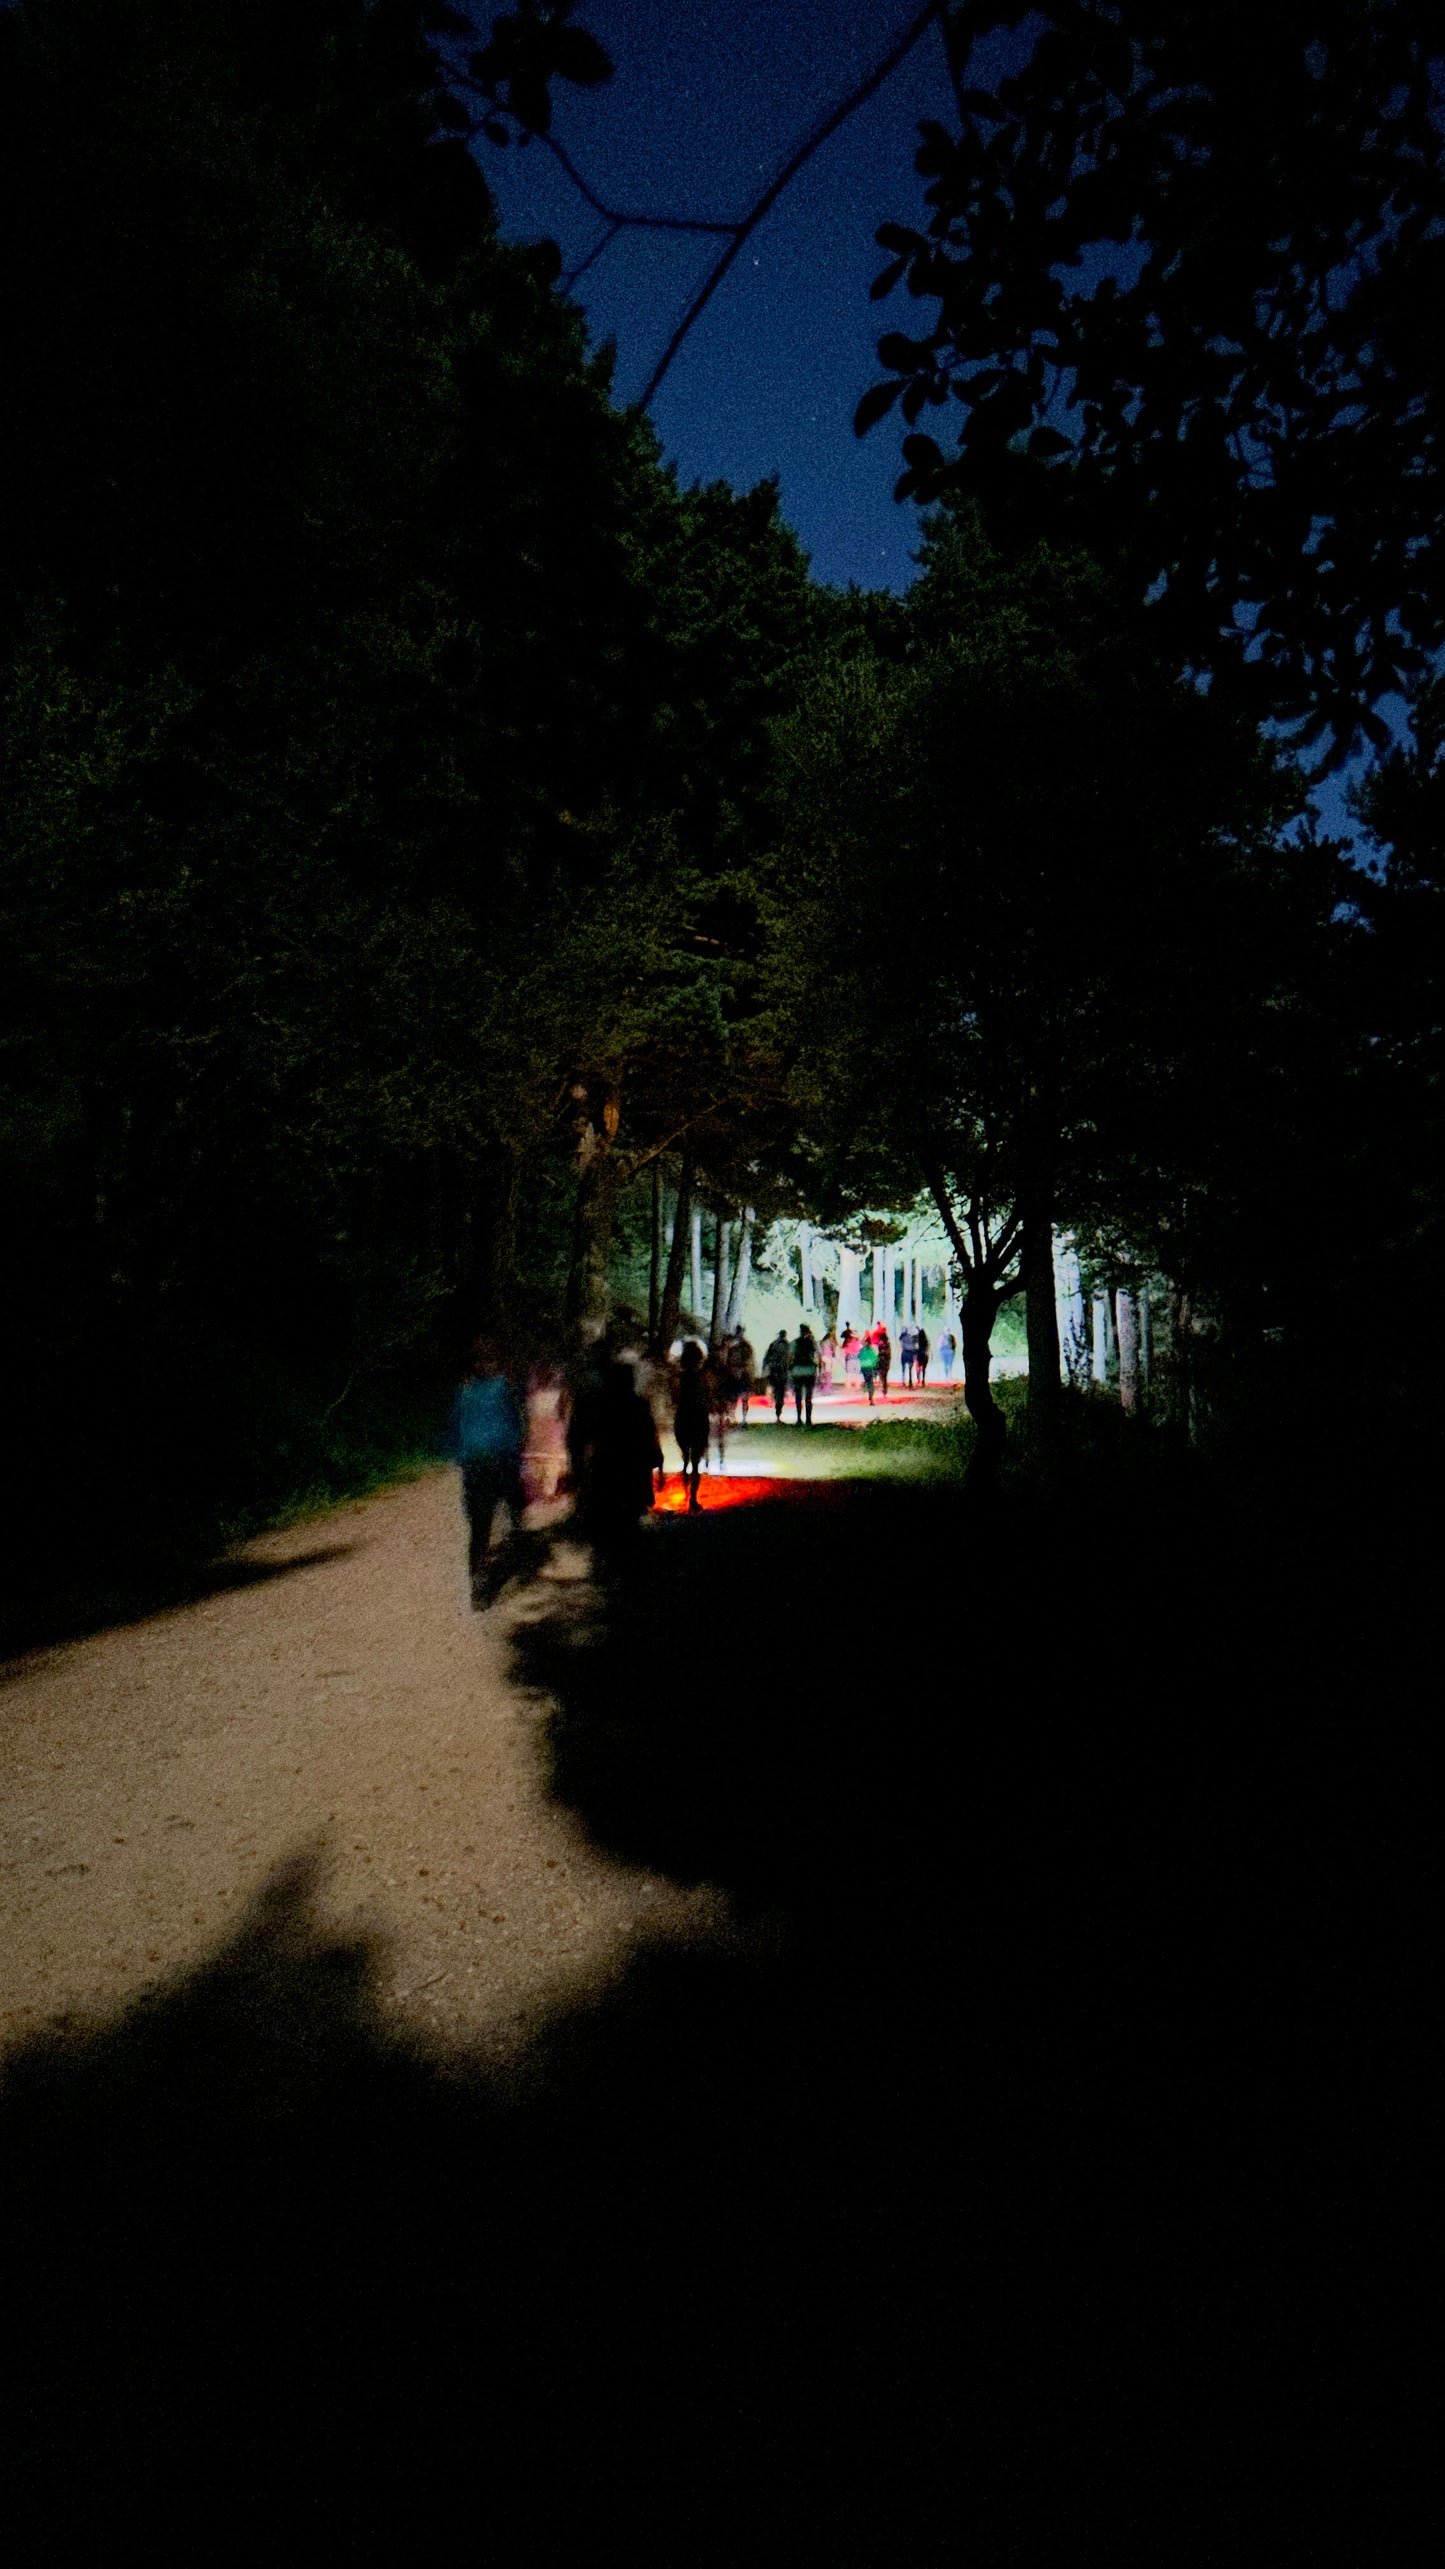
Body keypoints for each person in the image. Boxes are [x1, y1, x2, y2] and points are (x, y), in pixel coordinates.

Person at [446, 1337, 526, 1608]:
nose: (485, 1365)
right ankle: (482, 1582)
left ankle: (480, 1582)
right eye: (481, 1360)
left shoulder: (471, 1389)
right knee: (488, 1524)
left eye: (489, 1359)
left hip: (484, 1466)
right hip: (492, 1466)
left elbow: (454, 1430)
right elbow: (515, 1425)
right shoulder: (499, 1388)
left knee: (482, 1526)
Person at [574, 1357, 662, 1561]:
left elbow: (589, 1433)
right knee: (630, 1514)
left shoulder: (603, 1405)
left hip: (609, 1466)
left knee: (612, 1513)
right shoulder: (638, 1404)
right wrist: (655, 1457)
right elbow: (649, 1432)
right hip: (632, 1467)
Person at [673, 1340, 712, 1511]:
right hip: (697, 1419)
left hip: (683, 1418)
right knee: (696, 1460)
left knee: (686, 1458)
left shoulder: (680, 1378)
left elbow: (675, 1399)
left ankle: (686, 1493)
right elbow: (706, 1401)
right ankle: (693, 1499)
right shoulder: (701, 1379)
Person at [790, 1322, 819, 1426]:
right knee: (808, 1397)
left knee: (798, 1396)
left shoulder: (795, 1343)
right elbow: (817, 1356)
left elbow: (790, 1357)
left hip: (797, 1371)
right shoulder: (813, 1343)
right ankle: (808, 1419)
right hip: (809, 1371)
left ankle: (798, 1419)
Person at [764, 1329, 791, 1424]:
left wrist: (765, 1369)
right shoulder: (787, 1345)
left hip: (775, 1371)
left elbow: (767, 1358)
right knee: (780, 1393)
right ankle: (778, 1413)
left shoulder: (774, 1344)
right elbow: (790, 1359)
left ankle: (777, 1413)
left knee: (777, 1392)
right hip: (782, 1373)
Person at [857, 1330, 879, 1406]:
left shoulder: (862, 1350)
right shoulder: (871, 1350)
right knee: (871, 1382)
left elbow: (859, 1357)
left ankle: (865, 1387)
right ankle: (871, 1398)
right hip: (870, 1367)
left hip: (864, 1367)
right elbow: (875, 1358)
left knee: (868, 1380)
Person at [874, 1323, 892, 1400]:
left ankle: (882, 1388)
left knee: (880, 1373)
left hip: (883, 1360)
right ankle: (884, 1390)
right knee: (884, 1376)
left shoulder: (881, 1343)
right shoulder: (887, 1343)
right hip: (886, 1360)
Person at [899, 1321, 918, 1388]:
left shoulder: (902, 1337)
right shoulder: (911, 1337)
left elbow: (900, 1342)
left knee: (903, 1368)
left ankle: (903, 1380)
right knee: (910, 1368)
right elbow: (914, 1345)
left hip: (904, 1352)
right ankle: (910, 1381)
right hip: (910, 1353)